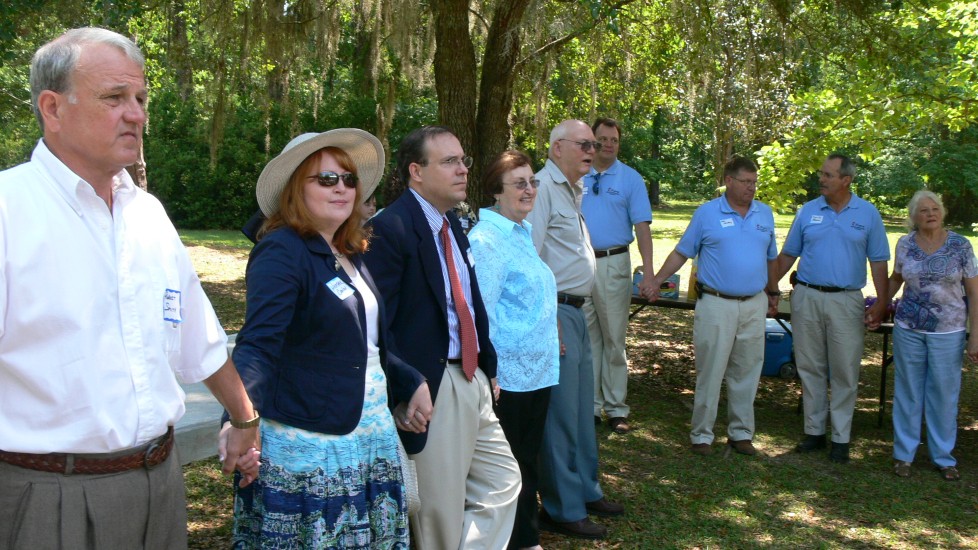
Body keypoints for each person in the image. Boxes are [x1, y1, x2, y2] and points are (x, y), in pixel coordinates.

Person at [0, 27, 258, 548]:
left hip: (161, 486)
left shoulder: (148, 214)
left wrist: (244, 417)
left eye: (140, 98)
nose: (136, 114)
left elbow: (198, 338)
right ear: (53, 108)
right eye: (114, 97)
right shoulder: (9, 212)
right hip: (47, 497)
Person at [228, 129, 432, 547]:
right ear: (294, 189)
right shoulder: (281, 250)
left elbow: (366, 341)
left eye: (348, 179)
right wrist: (239, 419)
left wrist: (410, 380)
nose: (341, 188)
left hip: (369, 438)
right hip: (313, 447)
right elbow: (259, 345)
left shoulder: (348, 250)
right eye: (325, 179)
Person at [363, 126, 521, 549]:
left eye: (463, 160)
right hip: (431, 387)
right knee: (439, 513)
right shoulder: (390, 229)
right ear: (416, 171)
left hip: (471, 378)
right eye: (449, 161)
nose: (463, 169)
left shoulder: (452, 224)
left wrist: (487, 365)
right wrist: (404, 387)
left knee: (503, 483)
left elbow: (467, 302)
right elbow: (376, 326)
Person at [526, 119, 625, 540]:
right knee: (561, 415)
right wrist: (548, 318)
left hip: (576, 310)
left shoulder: (573, 189)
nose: (592, 150)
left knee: (583, 410)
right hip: (556, 312)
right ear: (557, 148)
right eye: (584, 144)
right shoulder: (541, 188)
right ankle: (562, 507)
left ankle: (585, 490)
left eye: (594, 145)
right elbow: (530, 259)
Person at [645, 158, 779, 456]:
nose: (751, 188)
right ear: (729, 181)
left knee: (747, 370)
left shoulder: (765, 214)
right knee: (711, 370)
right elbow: (682, 252)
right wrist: (656, 281)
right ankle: (702, 434)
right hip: (717, 303)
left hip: (753, 304)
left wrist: (773, 291)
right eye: (745, 182)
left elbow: (771, 258)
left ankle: (741, 433)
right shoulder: (707, 213)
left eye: (754, 182)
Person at [468, 150, 560, 550]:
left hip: (537, 370)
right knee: (509, 466)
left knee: (527, 457)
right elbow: (481, 314)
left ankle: (524, 536)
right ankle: (517, 540)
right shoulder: (487, 240)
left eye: (532, 182)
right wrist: (489, 372)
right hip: (507, 374)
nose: (529, 190)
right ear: (496, 191)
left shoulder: (520, 232)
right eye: (519, 183)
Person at [773, 154, 890, 464]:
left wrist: (882, 302)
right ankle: (814, 432)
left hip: (846, 300)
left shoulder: (868, 214)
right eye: (821, 174)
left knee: (845, 369)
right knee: (810, 366)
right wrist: (768, 288)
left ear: (846, 180)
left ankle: (841, 437)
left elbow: (879, 261)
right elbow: (788, 255)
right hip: (807, 296)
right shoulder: (808, 211)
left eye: (828, 175)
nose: (821, 179)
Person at [885, 190, 978, 481]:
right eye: (923, 210)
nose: (930, 214)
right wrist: (878, 306)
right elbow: (896, 279)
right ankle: (904, 455)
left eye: (935, 208)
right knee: (908, 392)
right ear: (913, 217)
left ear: (942, 212)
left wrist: (975, 335)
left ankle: (943, 457)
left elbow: (974, 292)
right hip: (908, 328)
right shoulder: (905, 243)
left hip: (948, 330)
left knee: (944, 394)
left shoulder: (960, 245)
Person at [582, 118, 654, 434]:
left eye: (614, 140)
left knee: (614, 338)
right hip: (581, 264)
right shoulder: (577, 174)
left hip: (614, 262)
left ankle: (616, 408)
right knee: (587, 338)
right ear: (591, 141)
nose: (609, 144)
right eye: (603, 139)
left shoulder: (630, 179)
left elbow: (642, 228)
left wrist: (649, 273)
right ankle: (590, 406)